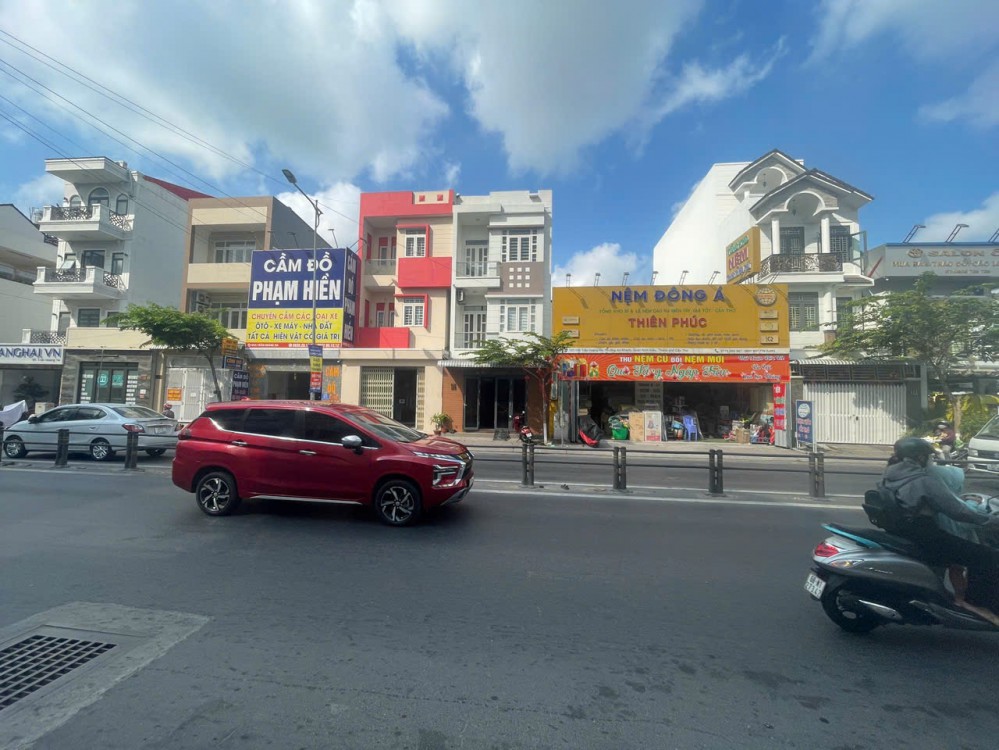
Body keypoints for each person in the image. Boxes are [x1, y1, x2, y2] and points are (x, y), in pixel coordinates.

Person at [880, 436, 999, 626]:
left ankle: (958, 598)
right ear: (919, 458)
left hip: (905, 532)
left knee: (961, 557)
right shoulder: (923, 480)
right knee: (986, 556)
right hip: (927, 537)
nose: (930, 460)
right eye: (928, 456)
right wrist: (989, 520)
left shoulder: (890, 475)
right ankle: (975, 603)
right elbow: (957, 511)